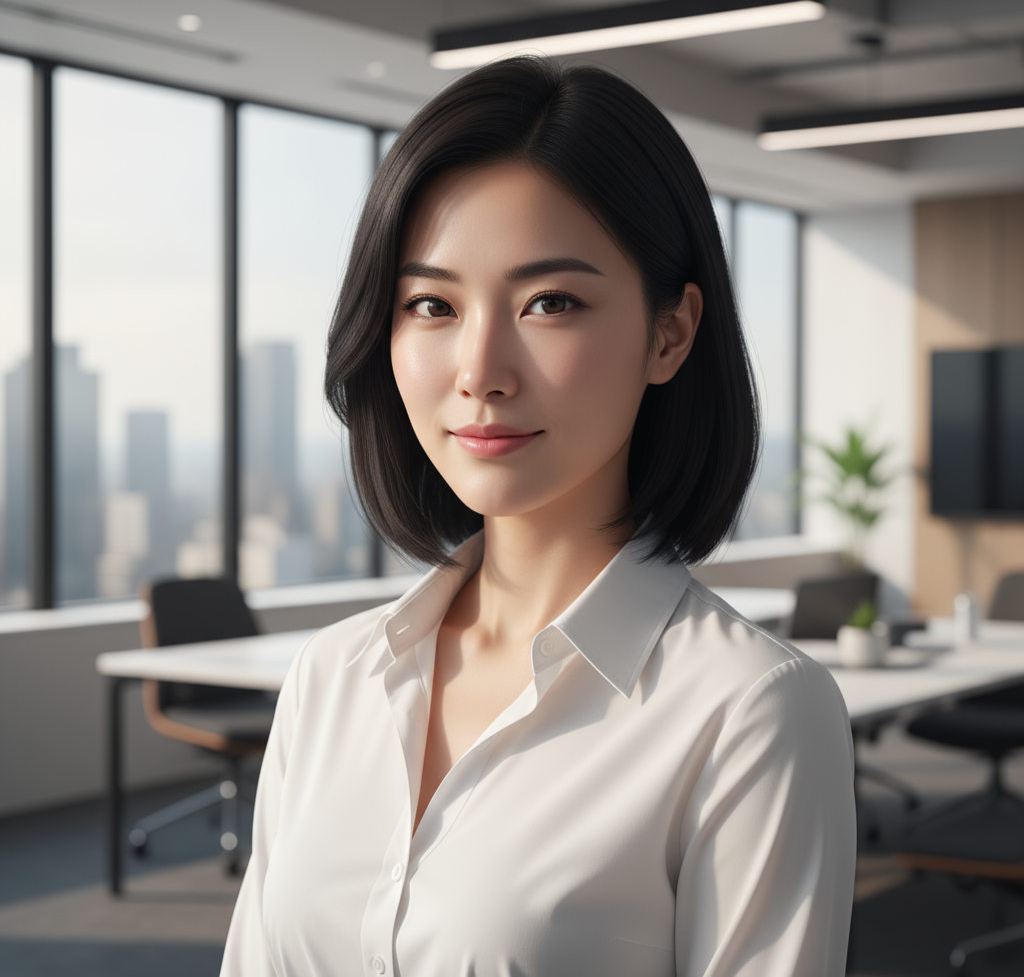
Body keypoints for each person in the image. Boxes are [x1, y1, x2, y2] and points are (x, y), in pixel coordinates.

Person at [220, 57, 855, 977]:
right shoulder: (332, 679)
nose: (480, 369)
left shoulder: (751, 714)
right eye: (431, 304)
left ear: (669, 333)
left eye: (549, 302)